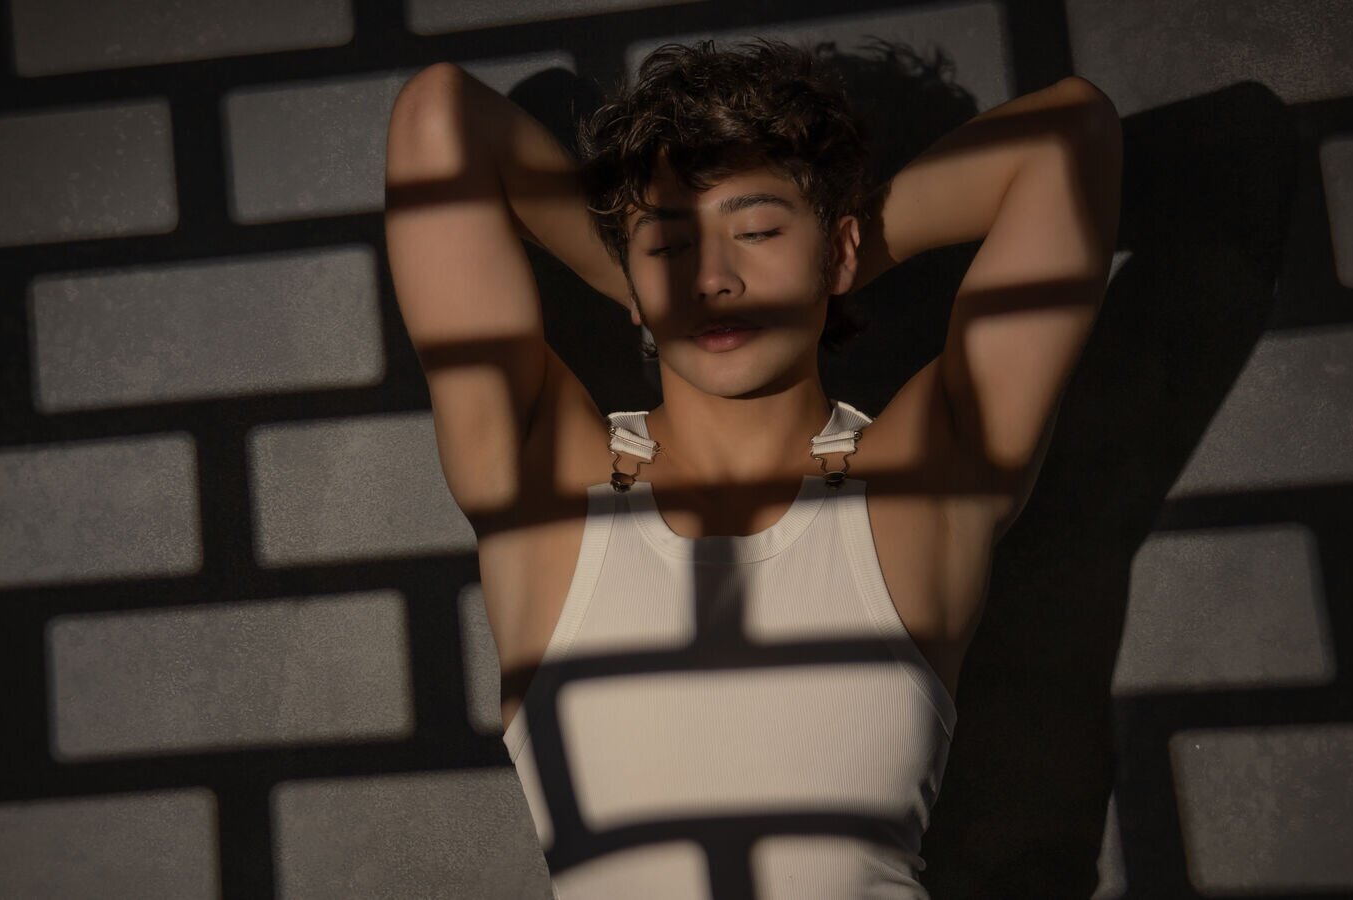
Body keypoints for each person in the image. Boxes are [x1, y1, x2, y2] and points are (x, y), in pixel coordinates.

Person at [384, 38, 1121, 899]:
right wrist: (642, 279)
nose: (714, 280)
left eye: (759, 231)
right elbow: (439, 116)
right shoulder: (541, 484)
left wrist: (831, 266)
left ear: (838, 248)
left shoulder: (922, 480)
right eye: (672, 247)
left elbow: (1069, 135)